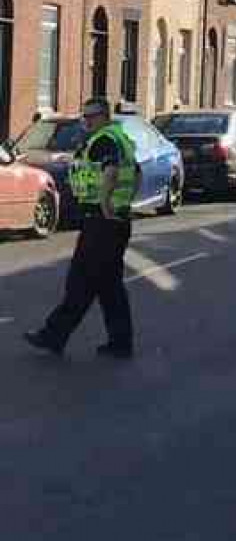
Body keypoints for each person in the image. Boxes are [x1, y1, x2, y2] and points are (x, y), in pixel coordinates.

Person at [24, 98, 138, 359]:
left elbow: (110, 170)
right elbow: (136, 172)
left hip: (102, 222)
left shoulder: (104, 140)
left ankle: (54, 335)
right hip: (115, 221)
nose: (86, 121)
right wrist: (124, 202)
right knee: (109, 285)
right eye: (84, 116)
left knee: (81, 281)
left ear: (104, 115)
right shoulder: (120, 138)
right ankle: (120, 342)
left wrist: (107, 203)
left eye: (91, 116)